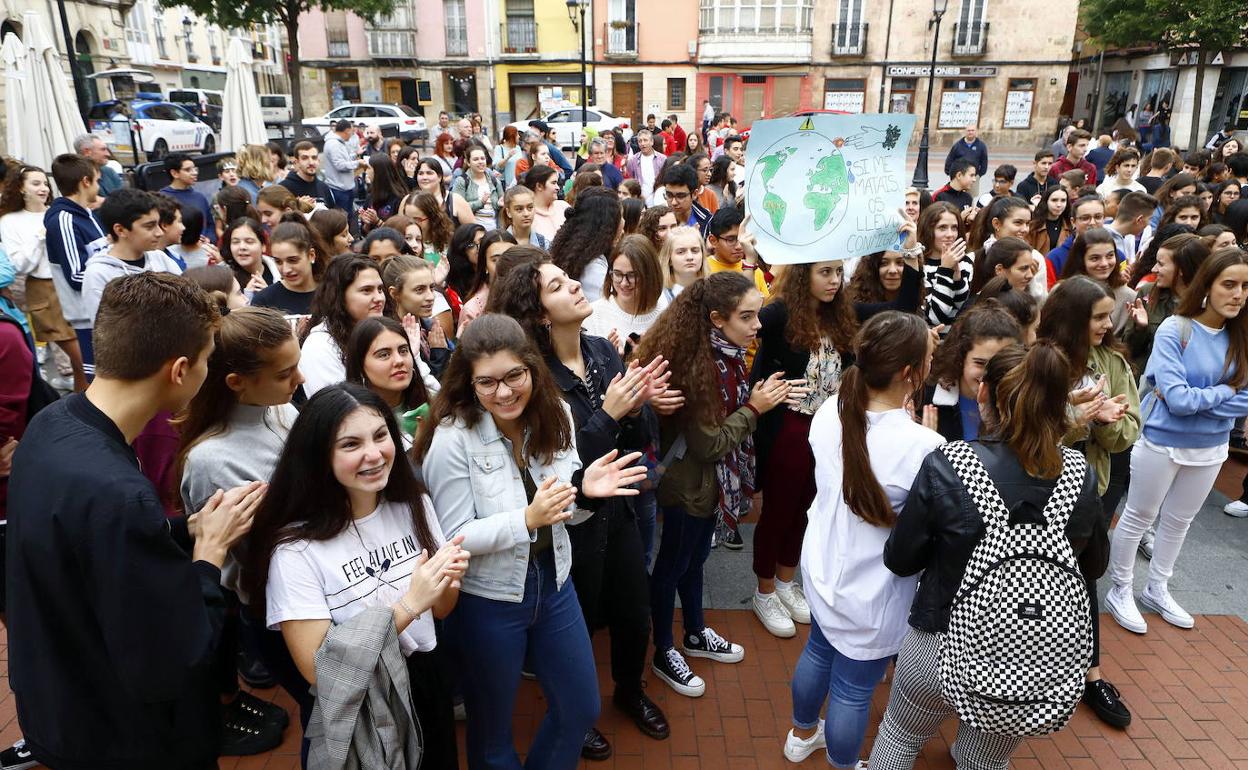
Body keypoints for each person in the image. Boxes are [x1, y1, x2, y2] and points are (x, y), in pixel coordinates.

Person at [7, 271, 267, 770]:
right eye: (208, 360)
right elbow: (177, 655)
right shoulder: (119, 494)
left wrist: (180, 529)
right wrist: (208, 557)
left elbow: (85, 545)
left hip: (60, 700)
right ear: (180, 370)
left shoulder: (53, 423)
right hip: (122, 736)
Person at [416, 313, 646, 770]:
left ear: (531, 368)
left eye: (514, 376)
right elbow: (455, 536)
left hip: (554, 582)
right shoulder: (451, 438)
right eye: (487, 382)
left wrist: (585, 494)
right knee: (492, 732)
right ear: (469, 382)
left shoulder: (555, 412)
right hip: (488, 599)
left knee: (580, 707)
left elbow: (565, 510)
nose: (503, 392)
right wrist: (527, 518)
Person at [867, 340, 1107, 769]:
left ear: (984, 393)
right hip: (1031, 654)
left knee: (901, 736)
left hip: (938, 641)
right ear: (1062, 406)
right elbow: (1094, 566)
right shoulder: (1080, 476)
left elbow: (901, 558)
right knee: (985, 760)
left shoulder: (949, 462)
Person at [489, 259, 673, 758]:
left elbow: (632, 446)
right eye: (557, 285)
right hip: (571, 526)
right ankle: (573, 710)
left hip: (619, 514)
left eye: (568, 277)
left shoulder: (599, 352)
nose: (575, 284)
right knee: (578, 623)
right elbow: (564, 470)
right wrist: (611, 413)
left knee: (636, 613)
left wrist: (636, 410)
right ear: (541, 314)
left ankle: (630, 691)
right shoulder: (534, 379)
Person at [246, 382, 464, 769]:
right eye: (350, 445)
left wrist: (447, 581)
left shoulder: (415, 504)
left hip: (425, 678)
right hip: (361, 697)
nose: (374, 454)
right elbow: (317, 666)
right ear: (318, 456)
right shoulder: (295, 550)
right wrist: (410, 604)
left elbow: (443, 611)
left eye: (381, 435)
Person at [784, 311, 943, 767]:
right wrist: (929, 442)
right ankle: (843, 762)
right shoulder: (922, 447)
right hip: (872, 590)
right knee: (854, 688)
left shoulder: (831, 411)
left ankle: (800, 735)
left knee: (818, 649)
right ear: (911, 373)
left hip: (822, 567)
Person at [633, 272, 794, 696]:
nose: (757, 326)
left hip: (706, 487)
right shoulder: (696, 365)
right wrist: (755, 408)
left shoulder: (723, 353)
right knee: (672, 567)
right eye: (748, 317)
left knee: (695, 559)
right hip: (687, 486)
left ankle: (694, 633)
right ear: (717, 319)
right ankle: (665, 649)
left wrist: (750, 401)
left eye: (757, 315)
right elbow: (709, 444)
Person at [1106, 248, 1248, 634]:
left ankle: (1157, 587)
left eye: (1245, 286)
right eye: (1229, 284)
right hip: (1162, 440)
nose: (1238, 294)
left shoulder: (1242, 336)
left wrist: (1208, 396)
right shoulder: (1175, 328)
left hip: (1212, 446)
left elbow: (1240, 400)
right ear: (1207, 286)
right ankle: (1120, 589)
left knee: (1179, 521)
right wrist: (1225, 392)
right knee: (1138, 516)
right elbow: (1178, 399)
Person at [0, 163, 87, 390]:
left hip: (73, 284)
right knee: (85, 360)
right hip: (44, 290)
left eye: (45, 183)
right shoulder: (10, 221)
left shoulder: (59, 212)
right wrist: (40, 237)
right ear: (20, 187)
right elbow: (19, 265)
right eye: (36, 183)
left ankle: (81, 409)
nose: (44, 188)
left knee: (81, 366)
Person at [921, 303, 1022, 443]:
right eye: (980, 363)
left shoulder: (1022, 401)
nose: (989, 373)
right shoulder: (928, 400)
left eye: (1000, 363)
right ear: (961, 358)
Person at [82, 188, 184, 326]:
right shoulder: (99, 274)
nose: (159, 233)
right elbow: (106, 330)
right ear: (120, 230)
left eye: (159, 225)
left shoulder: (159, 258)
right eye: (149, 227)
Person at [300, 255, 387, 396]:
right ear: (340, 295)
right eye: (367, 290)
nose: (379, 298)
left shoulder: (382, 332)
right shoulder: (319, 345)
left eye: (380, 289)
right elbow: (336, 409)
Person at [344, 317, 431, 447]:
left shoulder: (435, 406)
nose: (399, 360)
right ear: (360, 366)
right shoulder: (349, 421)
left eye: (403, 351)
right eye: (384, 354)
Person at [582, 233, 669, 342]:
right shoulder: (593, 316)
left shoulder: (665, 310)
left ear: (649, 275)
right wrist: (610, 356)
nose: (624, 283)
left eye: (632, 275)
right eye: (618, 274)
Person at [380, 255, 451, 388]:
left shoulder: (429, 326)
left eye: (432, 287)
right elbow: (421, 387)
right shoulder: (390, 337)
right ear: (395, 294)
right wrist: (439, 354)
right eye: (419, 290)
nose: (430, 297)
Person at [551, 188, 623, 304]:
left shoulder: (576, 252)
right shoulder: (594, 269)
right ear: (608, 226)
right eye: (621, 217)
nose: (622, 223)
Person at [252, 220, 322, 320]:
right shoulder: (263, 301)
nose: (286, 270)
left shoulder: (332, 294)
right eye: (278, 261)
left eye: (293, 260)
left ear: (311, 255)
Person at [918, 201, 973, 327]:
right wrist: (945, 270)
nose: (950, 235)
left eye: (954, 228)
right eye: (942, 228)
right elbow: (935, 317)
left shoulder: (965, 262)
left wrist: (957, 278)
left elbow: (961, 308)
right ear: (928, 230)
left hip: (958, 339)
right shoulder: (918, 265)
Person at [458, 230, 518, 334]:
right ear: (485, 265)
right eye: (495, 260)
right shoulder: (473, 310)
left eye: (510, 258)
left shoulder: (532, 296)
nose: (504, 265)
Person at [707, 206, 769, 299]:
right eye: (731, 239)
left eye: (743, 239)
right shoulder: (703, 270)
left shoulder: (755, 270)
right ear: (713, 240)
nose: (739, 246)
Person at [1047, 194, 1107, 277]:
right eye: (1085, 218)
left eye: (1098, 217)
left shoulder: (1115, 255)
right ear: (1073, 222)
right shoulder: (1055, 258)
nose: (1092, 222)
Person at [159, 154, 214, 240]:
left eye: (195, 169)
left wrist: (209, 238)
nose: (194, 173)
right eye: (188, 170)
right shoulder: (162, 198)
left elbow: (210, 224)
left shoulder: (200, 197)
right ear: (174, 173)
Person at [220, 216, 277, 298]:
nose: (242, 247)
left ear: (263, 246)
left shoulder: (279, 272)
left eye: (249, 242)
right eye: (235, 242)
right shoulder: (222, 279)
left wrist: (268, 296)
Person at [453, 143, 505, 229]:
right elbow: (457, 207)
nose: (480, 162)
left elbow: (502, 203)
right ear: (468, 163)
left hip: (495, 228)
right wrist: (480, 203)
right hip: (472, 230)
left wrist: (500, 204)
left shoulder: (493, 180)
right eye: (476, 159)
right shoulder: (461, 181)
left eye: (482, 158)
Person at [322, 119, 367, 216]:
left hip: (343, 187)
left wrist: (355, 155)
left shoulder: (338, 143)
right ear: (347, 131)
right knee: (344, 217)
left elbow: (343, 160)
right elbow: (340, 165)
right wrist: (357, 163)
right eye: (351, 131)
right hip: (339, 188)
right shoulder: (334, 144)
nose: (352, 134)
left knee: (349, 216)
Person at [414, 156, 475, 226]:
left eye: (429, 173)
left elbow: (473, 231)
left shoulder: (456, 200)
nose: (424, 177)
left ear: (440, 177)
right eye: (421, 173)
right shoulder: (409, 200)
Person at [278, 141, 336, 208]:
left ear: (318, 161)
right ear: (297, 162)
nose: (311, 162)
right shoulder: (284, 188)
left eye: (314, 158)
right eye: (305, 158)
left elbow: (331, 213)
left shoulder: (323, 187)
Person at [523, 164, 571, 241]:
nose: (558, 188)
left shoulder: (563, 207)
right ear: (539, 186)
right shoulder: (527, 215)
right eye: (553, 183)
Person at [663, 163, 711, 236]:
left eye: (680, 196)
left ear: (694, 194)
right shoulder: (657, 221)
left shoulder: (708, 222)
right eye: (669, 195)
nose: (674, 202)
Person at [1025, 185, 1071, 258]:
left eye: (1063, 200)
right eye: (1054, 200)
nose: (1059, 205)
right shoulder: (1033, 225)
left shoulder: (1070, 225)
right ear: (1046, 201)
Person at [73, 132, 123, 197]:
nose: (108, 154)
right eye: (103, 149)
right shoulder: (74, 176)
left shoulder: (109, 172)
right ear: (87, 152)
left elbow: (123, 200)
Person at [499, 185, 549, 249]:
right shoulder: (499, 244)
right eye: (519, 209)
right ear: (508, 212)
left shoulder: (543, 244)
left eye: (530, 207)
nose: (526, 214)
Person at [626, 129, 666, 201]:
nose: (642, 143)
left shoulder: (662, 159)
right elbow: (630, 180)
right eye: (640, 141)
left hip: (658, 199)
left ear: (652, 142)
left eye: (645, 140)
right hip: (640, 200)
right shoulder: (633, 161)